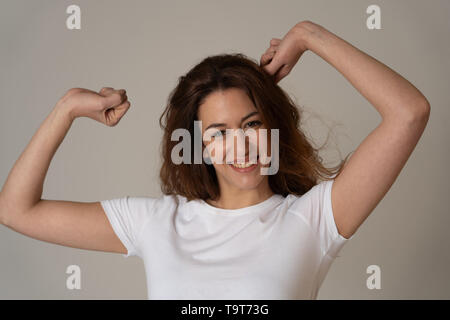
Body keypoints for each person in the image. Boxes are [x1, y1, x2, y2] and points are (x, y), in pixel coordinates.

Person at [0, 20, 430, 299]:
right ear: (199, 145)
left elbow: (408, 112)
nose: (240, 146)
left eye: (251, 124)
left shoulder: (314, 218)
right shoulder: (157, 222)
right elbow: (17, 210)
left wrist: (308, 36)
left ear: (272, 128)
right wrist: (67, 108)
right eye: (219, 133)